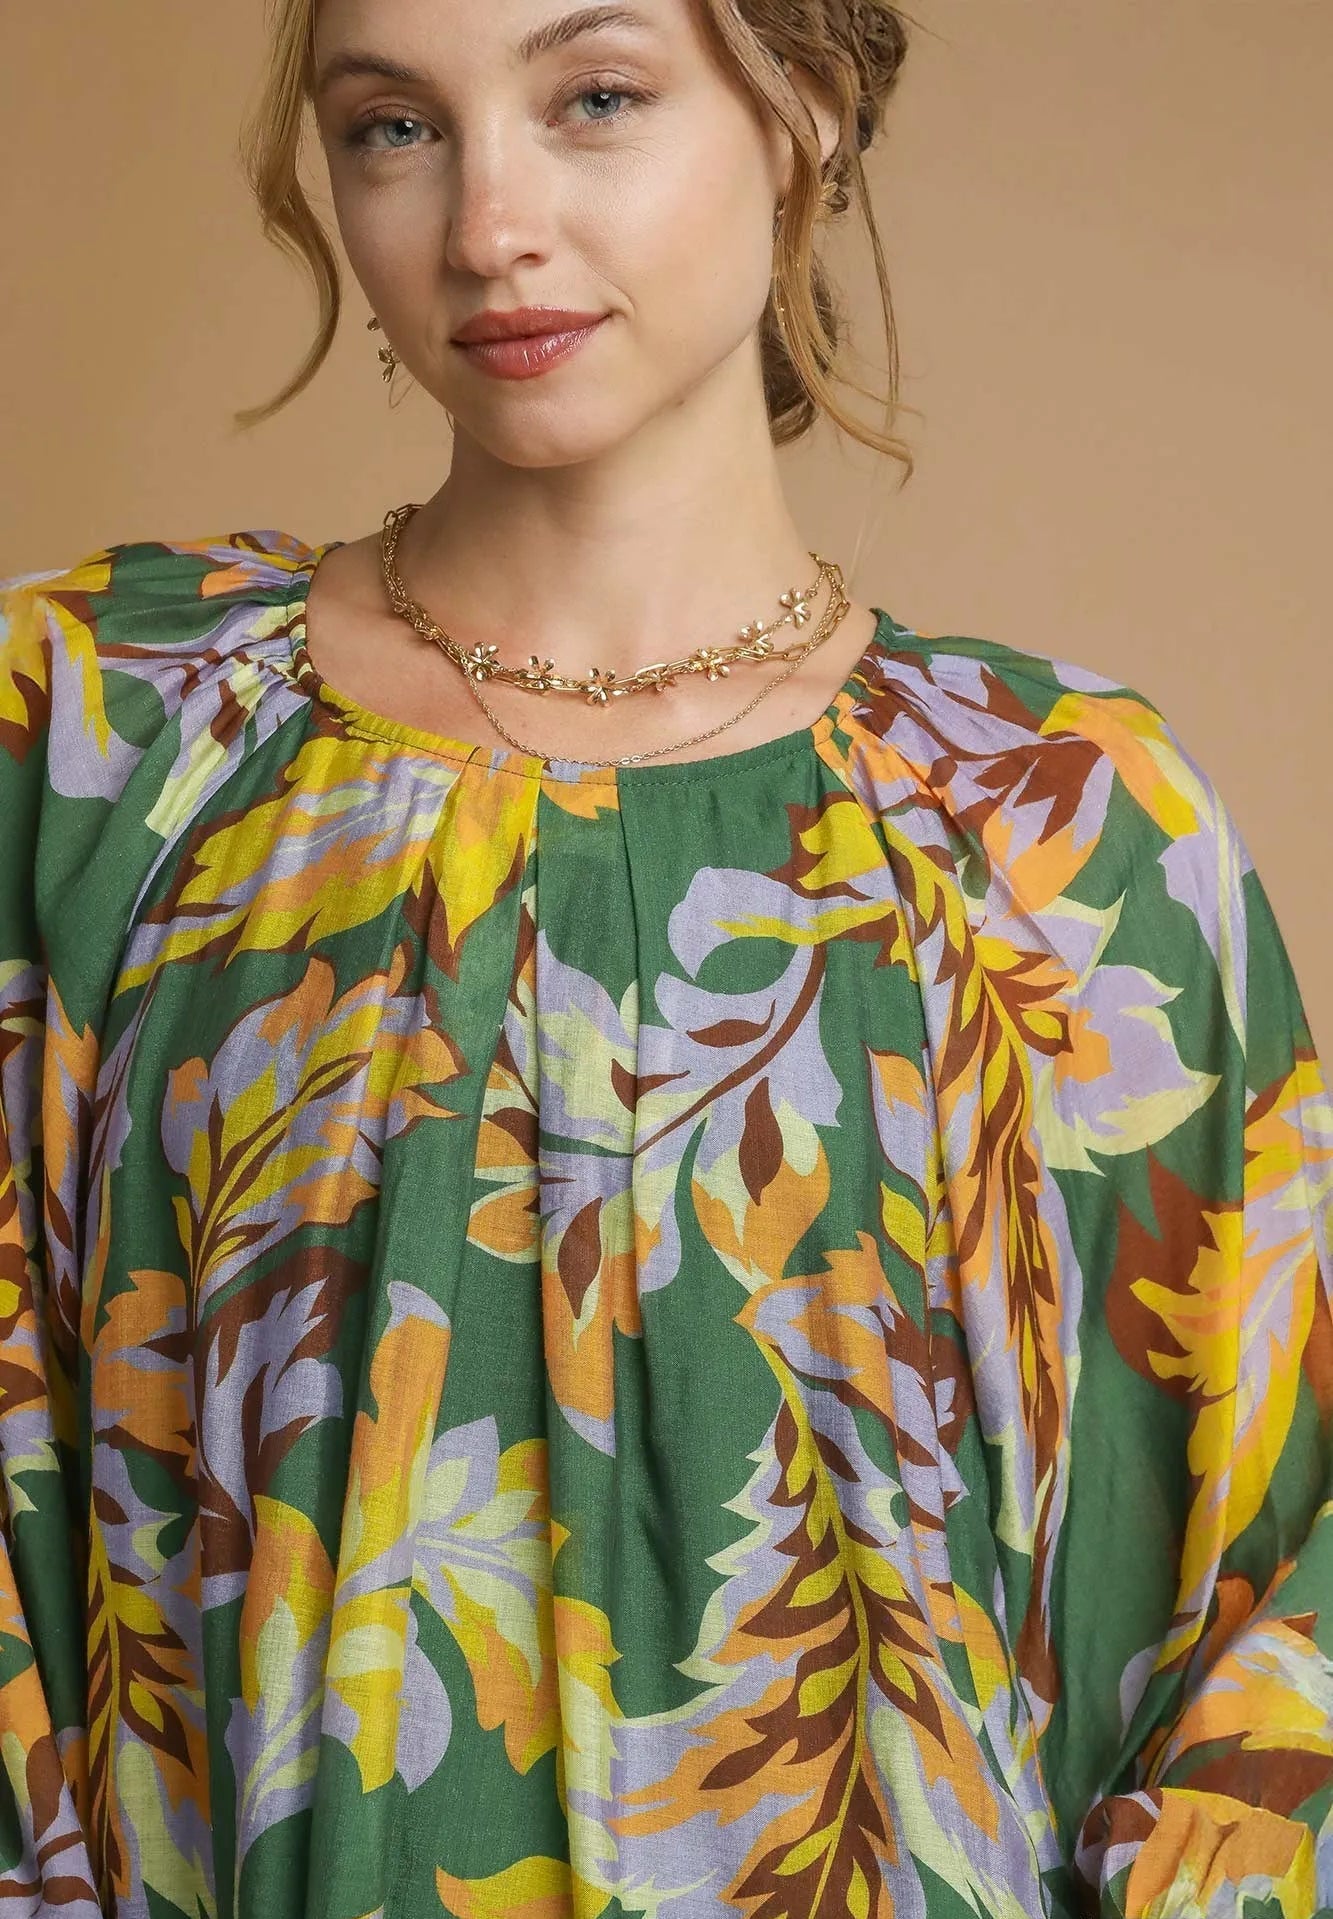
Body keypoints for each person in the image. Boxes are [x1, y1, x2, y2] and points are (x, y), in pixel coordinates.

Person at [1, 0, 1330, 1913]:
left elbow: (1254, 1628)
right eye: (393, 128)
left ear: (805, 106)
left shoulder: (1062, 833)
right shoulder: (107, 739)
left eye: (594, 98)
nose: (484, 225)